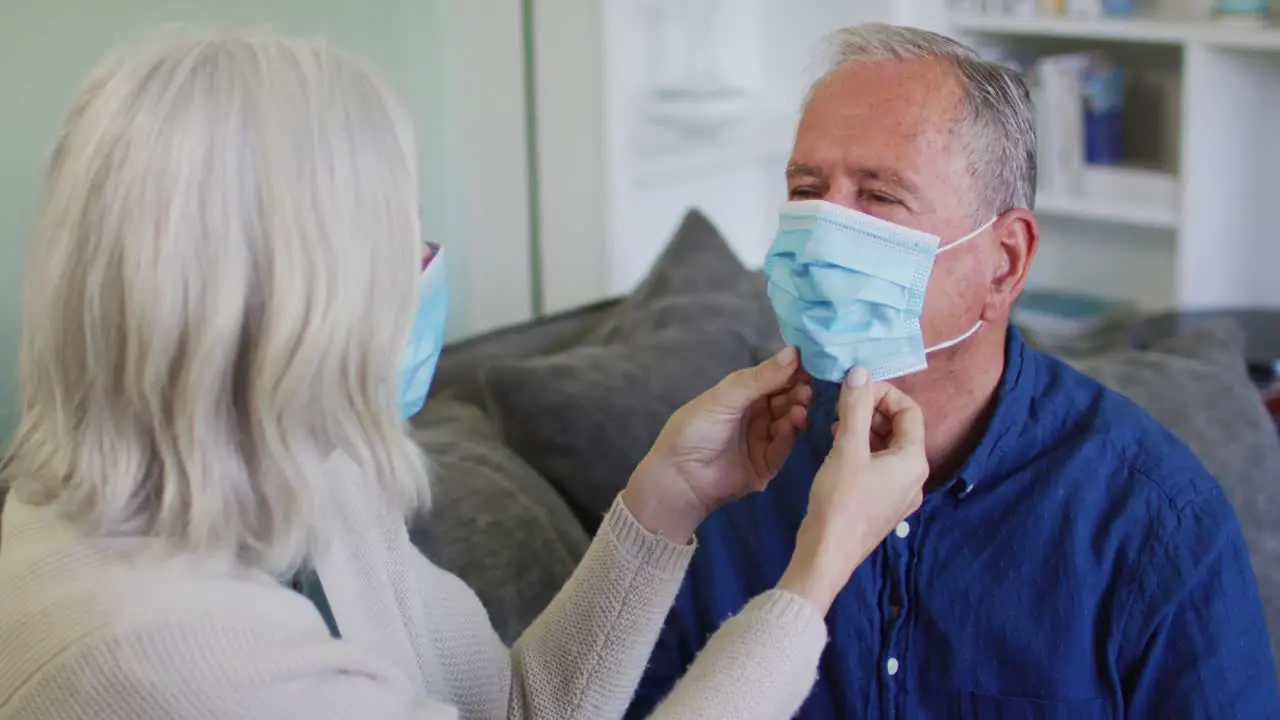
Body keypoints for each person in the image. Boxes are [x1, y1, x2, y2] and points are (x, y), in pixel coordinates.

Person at [0, 28, 935, 720]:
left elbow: (516, 708)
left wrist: (664, 502)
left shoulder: (311, 478)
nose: (426, 258)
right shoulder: (168, 657)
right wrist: (818, 573)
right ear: (290, 288)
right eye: (396, 231)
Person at [628, 23, 1280, 719]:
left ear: (1004, 261)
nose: (821, 239)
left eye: (878, 198)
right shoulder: (733, 476)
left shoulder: (1154, 521)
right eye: (807, 190)